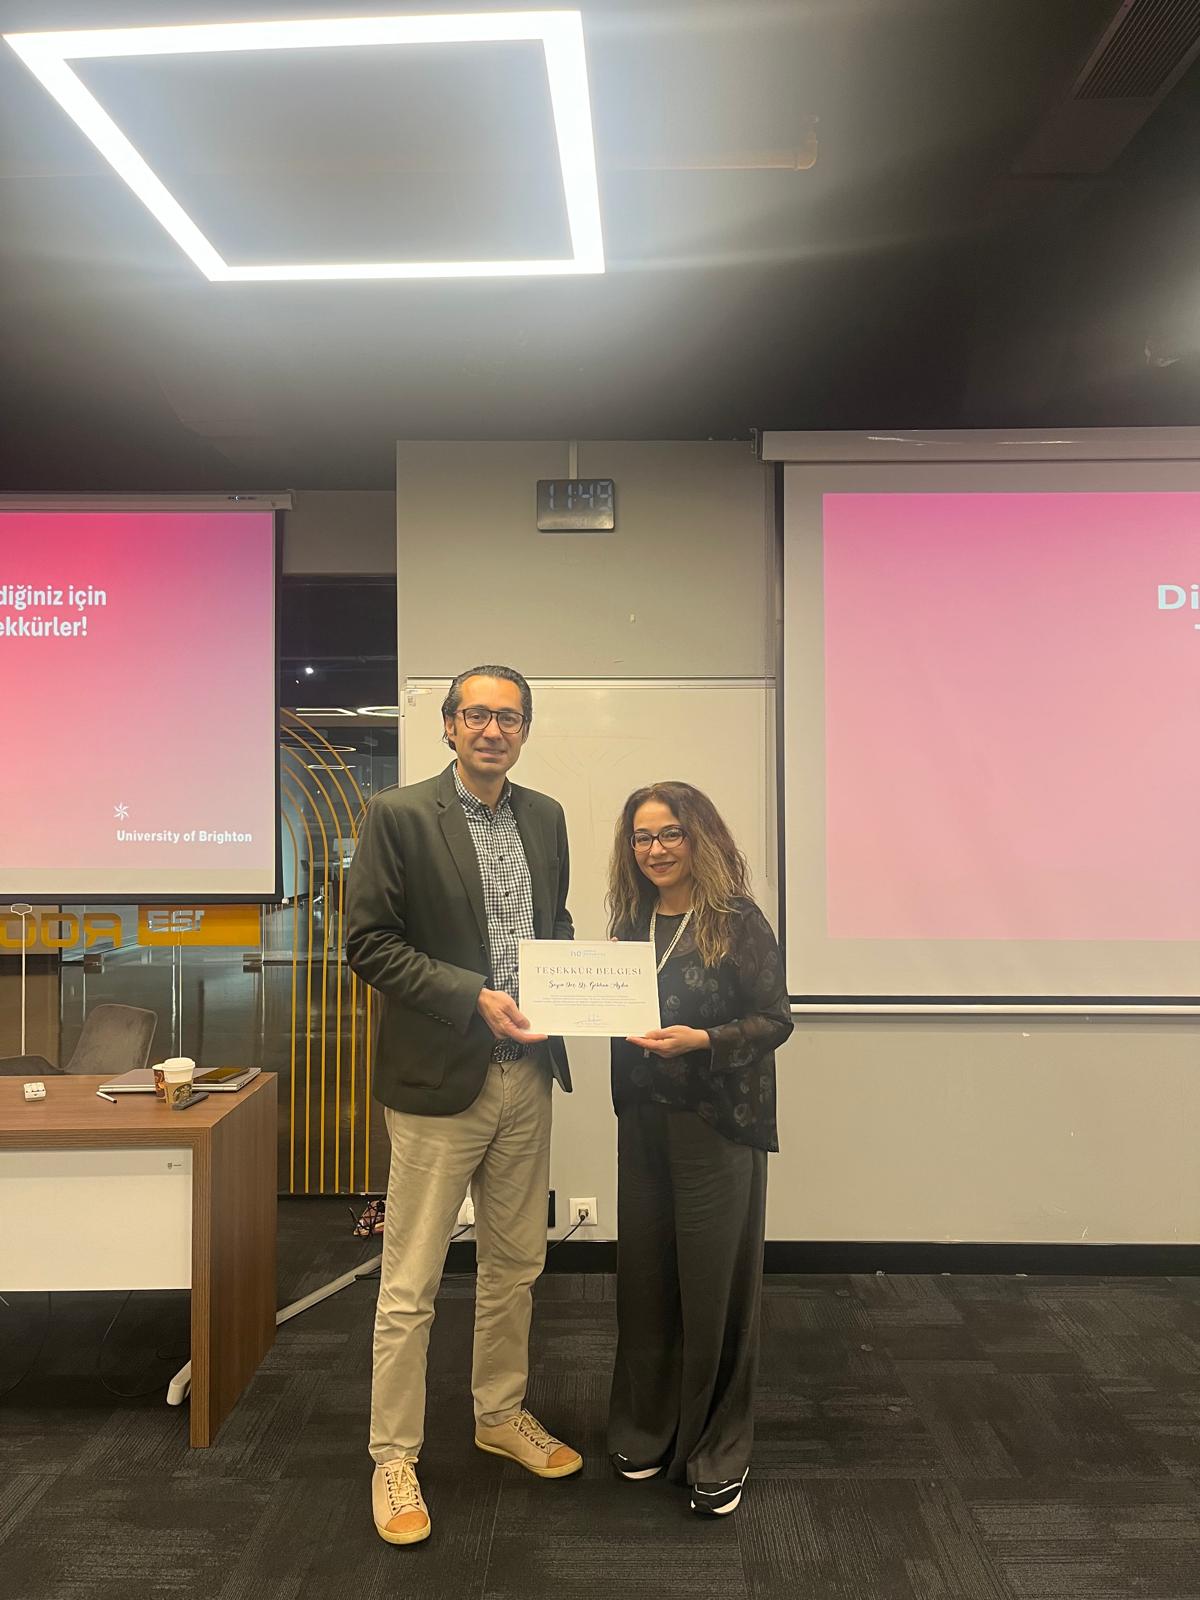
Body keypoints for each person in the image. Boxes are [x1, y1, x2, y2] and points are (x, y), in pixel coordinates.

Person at [346, 664, 582, 1548]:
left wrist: (571, 988)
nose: (493, 730)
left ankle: (499, 1414)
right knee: (410, 1282)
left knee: (515, 1264)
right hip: (439, 1080)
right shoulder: (399, 815)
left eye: (509, 718)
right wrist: (471, 996)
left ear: (524, 731)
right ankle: (393, 1457)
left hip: (527, 1074)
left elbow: (554, 928)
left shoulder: (545, 816)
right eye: (476, 715)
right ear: (448, 726)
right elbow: (369, 943)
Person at [605, 781, 792, 1517]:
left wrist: (705, 1040)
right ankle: (646, 1426)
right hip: (643, 1120)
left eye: (670, 834)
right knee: (645, 1278)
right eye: (642, 837)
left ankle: (717, 1445)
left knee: (716, 1286)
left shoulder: (736, 921)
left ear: (699, 838)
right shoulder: (630, 921)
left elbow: (775, 1019)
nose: (654, 850)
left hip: (718, 1123)